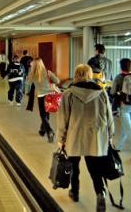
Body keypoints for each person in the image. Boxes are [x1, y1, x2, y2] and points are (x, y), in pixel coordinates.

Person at [57, 64, 114, 211]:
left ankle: (74, 192)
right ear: (90, 75)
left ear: (76, 74)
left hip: (74, 136)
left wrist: (61, 139)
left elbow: (63, 119)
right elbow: (109, 117)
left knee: (74, 166)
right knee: (95, 168)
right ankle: (100, 193)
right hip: (95, 136)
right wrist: (110, 135)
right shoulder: (101, 93)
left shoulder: (68, 93)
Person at [27, 57, 60, 142]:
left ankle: (49, 131)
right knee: (46, 114)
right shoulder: (48, 72)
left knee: (43, 115)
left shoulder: (32, 74)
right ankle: (42, 130)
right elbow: (57, 81)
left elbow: (28, 83)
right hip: (50, 96)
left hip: (41, 97)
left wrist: (31, 69)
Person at [111, 58, 131, 150]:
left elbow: (112, 92)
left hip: (124, 105)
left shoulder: (119, 77)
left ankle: (119, 146)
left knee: (128, 130)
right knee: (124, 127)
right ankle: (118, 146)